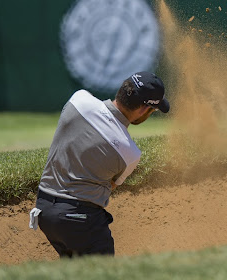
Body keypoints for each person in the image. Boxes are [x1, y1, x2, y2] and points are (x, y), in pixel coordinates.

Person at [32, 71, 170, 258]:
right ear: (143, 110)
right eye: (152, 111)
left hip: (43, 210)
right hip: (79, 219)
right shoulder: (130, 154)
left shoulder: (78, 100)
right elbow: (111, 185)